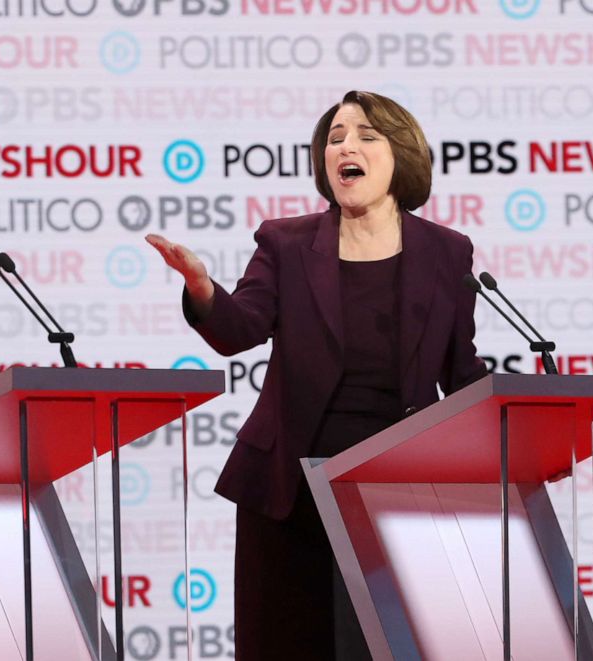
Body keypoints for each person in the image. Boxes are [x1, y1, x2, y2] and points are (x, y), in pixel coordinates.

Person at [146, 90, 487, 659]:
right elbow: (241, 329)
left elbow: (461, 371)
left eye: (365, 136)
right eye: (334, 138)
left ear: (401, 154)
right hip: (290, 489)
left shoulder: (447, 252)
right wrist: (203, 289)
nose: (345, 147)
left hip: (395, 490)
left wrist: (525, 427)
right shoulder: (286, 241)